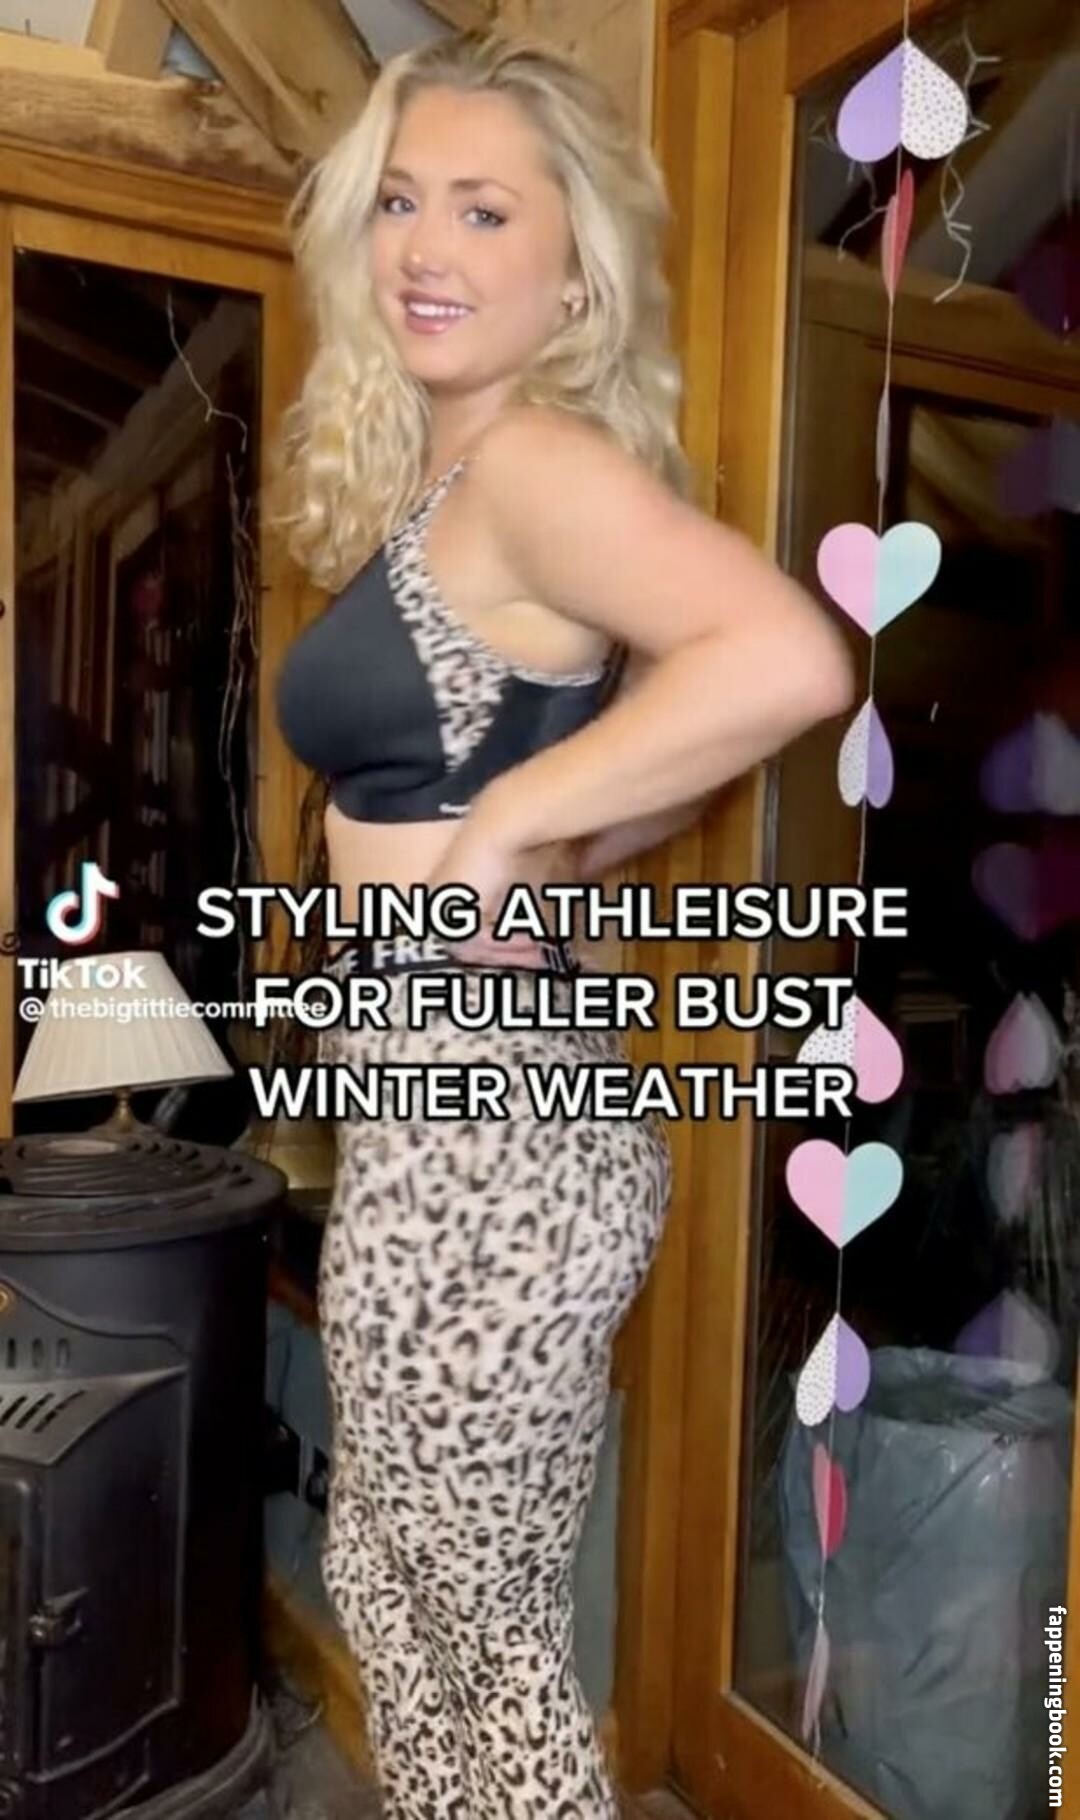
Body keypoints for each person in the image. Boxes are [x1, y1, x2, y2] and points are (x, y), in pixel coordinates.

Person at [270, 26, 853, 1819]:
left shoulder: (533, 464)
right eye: (401, 203)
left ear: (575, 269)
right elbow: (632, 724)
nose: (426, 247)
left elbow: (789, 657)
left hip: (499, 1127)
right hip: (434, 1095)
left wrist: (519, 825)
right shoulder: (449, 488)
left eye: (485, 210)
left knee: (475, 1621)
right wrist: (572, 838)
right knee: (398, 1589)